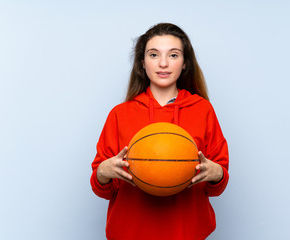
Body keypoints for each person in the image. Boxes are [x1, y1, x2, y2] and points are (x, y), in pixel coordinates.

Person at [90, 23, 229, 240]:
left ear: (184, 64)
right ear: (142, 63)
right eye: (154, 55)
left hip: (186, 233)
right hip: (130, 233)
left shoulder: (203, 110)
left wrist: (217, 174)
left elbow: (217, 184)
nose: (163, 63)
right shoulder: (120, 114)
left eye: (173, 55)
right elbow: (102, 188)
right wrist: (102, 173)